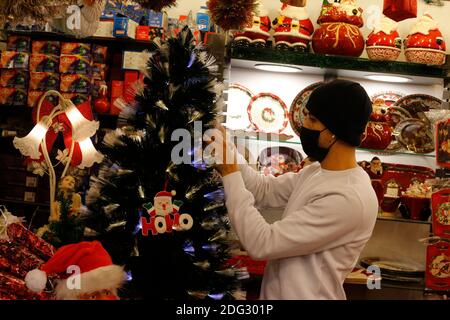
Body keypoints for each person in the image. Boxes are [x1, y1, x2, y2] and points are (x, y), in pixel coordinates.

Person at [210, 79, 378, 300]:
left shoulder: (348, 197)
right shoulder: (317, 171)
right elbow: (263, 190)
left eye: (312, 119)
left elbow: (262, 243)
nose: (303, 124)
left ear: (335, 131)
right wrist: (226, 147)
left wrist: (229, 173)